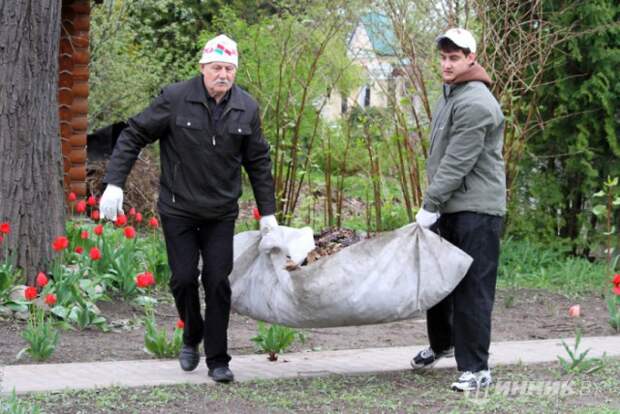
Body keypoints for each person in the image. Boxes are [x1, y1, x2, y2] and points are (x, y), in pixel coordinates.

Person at [99, 34, 278, 383]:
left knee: (217, 282)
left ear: (235, 71)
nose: (223, 75)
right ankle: (191, 331)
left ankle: (218, 360)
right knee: (182, 279)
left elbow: (258, 161)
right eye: (216, 68)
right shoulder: (176, 98)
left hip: (220, 212)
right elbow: (134, 133)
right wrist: (114, 182)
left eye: (229, 69)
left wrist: (267, 212)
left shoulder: (246, 107)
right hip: (178, 208)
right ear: (202, 68)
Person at [411, 28, 506, 392]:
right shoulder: (451, 96)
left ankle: (477, 369)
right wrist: (436, 205)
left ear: (471, 59)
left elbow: (457, 162)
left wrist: (430, 204)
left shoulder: (476, 103)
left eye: (454, 58)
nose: (447, 64)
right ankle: (442, 344)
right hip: (452, 206)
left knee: (472, 289)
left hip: (477, 210)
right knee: (439, 283)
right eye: (443, 58)